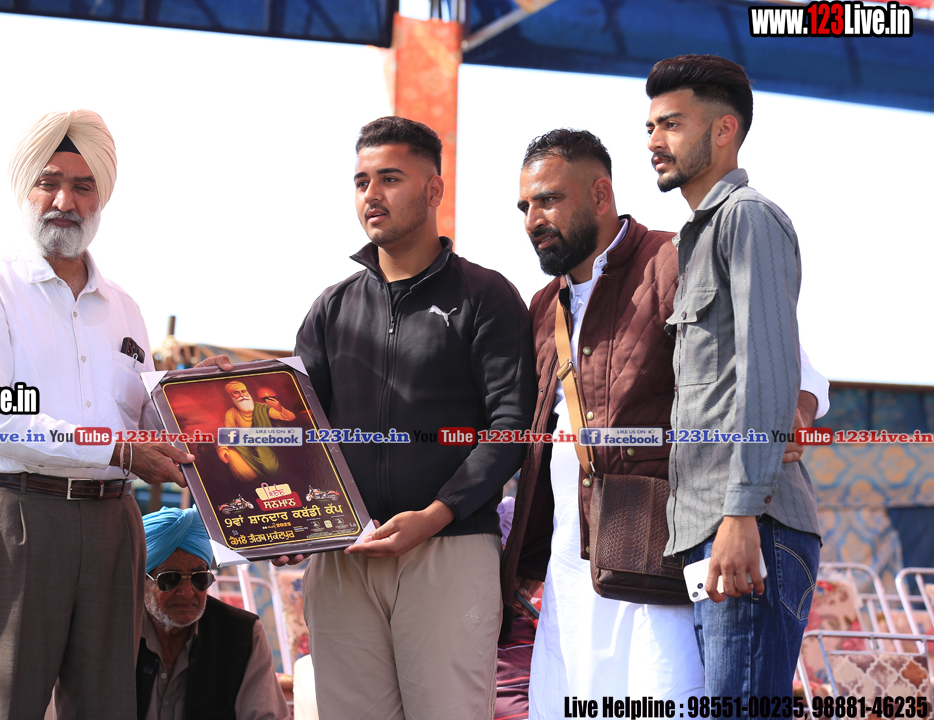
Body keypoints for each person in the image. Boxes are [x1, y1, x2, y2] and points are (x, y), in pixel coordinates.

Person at [499, 129, 828, 714]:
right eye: (525, 206)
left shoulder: (677, 260)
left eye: (548, 200)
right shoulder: (543, 306)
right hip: (572, 572)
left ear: (601, 194)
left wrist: (792, 414)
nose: (533, 220)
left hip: (662, 564)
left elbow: (793, 367)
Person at [0, 110, 195, 720]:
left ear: (102, 197)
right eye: (48, 183)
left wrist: (204, 412)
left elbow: (145, 427)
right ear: (24, 189)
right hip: (15, 520)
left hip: (113, 526)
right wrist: (118, 450)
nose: (64, 202)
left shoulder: (124, 308)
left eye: (82, 186)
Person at [293, 116, 536, 720]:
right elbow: (297, 429)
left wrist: (435, 514)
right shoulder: (331, 307)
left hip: (450, 548)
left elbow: (511, 427)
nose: (371, 195)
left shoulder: (486, 296)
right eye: (361, 182)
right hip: (345, 555)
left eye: (390, 178)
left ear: (433, 190)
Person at [645, 54, 822, 701]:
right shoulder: (693, 240)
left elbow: (769, 371)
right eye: (650, 127)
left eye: (671, 124)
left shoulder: (747, 217)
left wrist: (742, 511)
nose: (654, 141)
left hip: (751, 523)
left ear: (724, 130)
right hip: (718, 527)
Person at [138, 507, 289, 720]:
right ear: (140, 580)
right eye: (170, 578)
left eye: (199, 578)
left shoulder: (243, 634)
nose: (187, 592)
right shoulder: (111, 631)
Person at [218, 380, 295, 481]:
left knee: (268, 461)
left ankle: (275, 478)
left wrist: (279, 409)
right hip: (246, 446)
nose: (242, 395)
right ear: (231, 396)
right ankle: (253, 482)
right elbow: (227, 432)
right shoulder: (231, 413)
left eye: (243, 391)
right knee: (231, 453)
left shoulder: (262, 408)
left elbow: (290, 417)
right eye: (236, 392)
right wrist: (222, 448)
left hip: (265, 442)